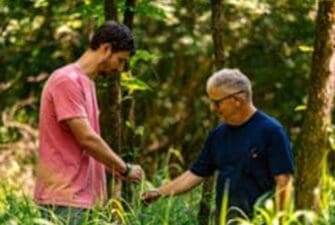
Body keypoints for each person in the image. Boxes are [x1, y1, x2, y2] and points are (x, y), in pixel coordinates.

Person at [141, 68, 294, 223]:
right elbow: (195, 174)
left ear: (237, 100)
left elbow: (284, 182)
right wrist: (159, 192)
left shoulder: (271, 131)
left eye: (217, 102)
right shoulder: (218, 135)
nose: (212, 108)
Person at [34, 21, 144, 224]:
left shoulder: (87, 83)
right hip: (64, 201)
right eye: (120, 61)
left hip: (83, 201)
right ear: (106, 49)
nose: (120, 68)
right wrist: (124, 169)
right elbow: (86, 138)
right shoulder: (66, 80)